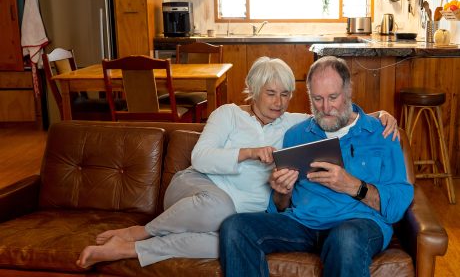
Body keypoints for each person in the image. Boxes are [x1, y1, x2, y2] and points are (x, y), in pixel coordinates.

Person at [76, 56, 399, 268]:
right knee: (221, 210)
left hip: (242, 209)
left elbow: (338, 114)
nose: (279, 102)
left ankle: (130, 250)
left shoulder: (296, 124)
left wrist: (380, 115)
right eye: (271, 93)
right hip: (200, 188)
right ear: (254, 91)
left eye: (286, 94)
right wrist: (248, 152)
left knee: (229, 238)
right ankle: (143, 231)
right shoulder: (228, 114)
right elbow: (200, 157)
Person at [219, 56, 414, 277]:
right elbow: (280, 207)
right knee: (235, 226)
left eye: (333, 97)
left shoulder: (381, 133)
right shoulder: (296, 134)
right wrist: (283, 191)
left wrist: (353, 186)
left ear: (348, 91)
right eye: (317, 99)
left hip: (358, 224)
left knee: (345, 237)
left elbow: (398, 203)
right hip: (303, 223)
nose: (326, 107)